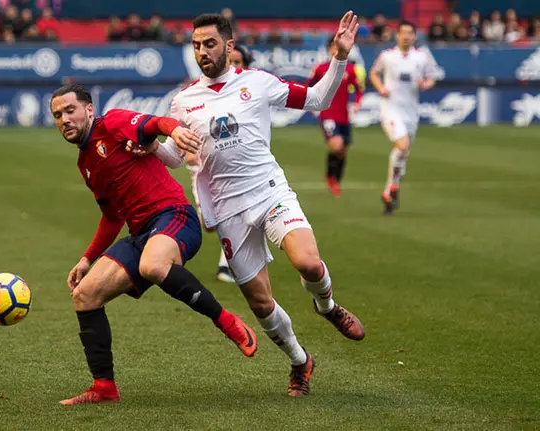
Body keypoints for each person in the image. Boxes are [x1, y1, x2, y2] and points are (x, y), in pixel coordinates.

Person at [132, 12, 365, 397]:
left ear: (228, 45)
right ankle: (300, 361)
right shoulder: (184, 102)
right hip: (228, 211)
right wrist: (152, 146)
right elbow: (174, 156)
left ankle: (327, 307)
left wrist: (339, 57)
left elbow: (317, 99)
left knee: (308, 263)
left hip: (269, 192)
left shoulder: (258, 82)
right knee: (260, 303)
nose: (202, 52)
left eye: (210, 44)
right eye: (196, 45)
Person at [50, 84, 258, 405]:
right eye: (57, 115)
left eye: (70, 110)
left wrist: (175, 131)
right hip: (141, 234)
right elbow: (112, 218)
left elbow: (155, 123)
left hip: (175, 216)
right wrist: (87, 258)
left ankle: (226, 321)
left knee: (153, 265)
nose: (64, 119)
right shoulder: (86, 164)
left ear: (89, 110)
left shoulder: (113, 124)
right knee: (85, 296)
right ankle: (104, 388)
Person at [185, 44, 253, 284]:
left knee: (241, 213)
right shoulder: (202, 92)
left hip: (238, 168)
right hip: (204, 167)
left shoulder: (251, 93)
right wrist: (189, 151)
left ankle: (228, 265)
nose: (233, 66)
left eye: (238, 62)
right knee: (209, 223)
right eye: (230, 61)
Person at [369, 21, 436, 215]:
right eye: (403, 33)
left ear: (415, 36)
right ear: (397, 35)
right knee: (402, 144)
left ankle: (390, 191)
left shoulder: (422, 57)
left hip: (411, 111)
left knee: (403, 153)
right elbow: (374, 73)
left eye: (410, 33)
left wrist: (426, 84)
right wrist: (381, 87)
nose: (406, 36)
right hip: (391, 109)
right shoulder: (387, 56)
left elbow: (431, 77)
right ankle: (392, 187)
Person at [307, 36, 364, 197]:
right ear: (329, 49)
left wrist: (357, 102)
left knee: (343, 151)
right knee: (336, 146)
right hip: (328, 115)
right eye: (334, 46)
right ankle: (330, 176)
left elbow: (358, 88)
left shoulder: (350, 69)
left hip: (344, 116)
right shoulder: (321, 68)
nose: (336, 49)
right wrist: (309, 103)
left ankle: (336, 179)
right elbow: (309, 86)